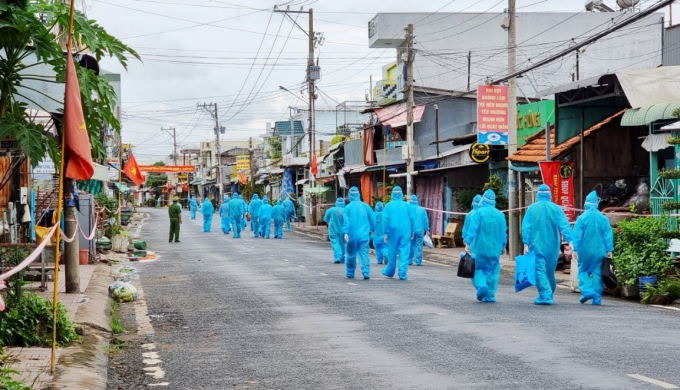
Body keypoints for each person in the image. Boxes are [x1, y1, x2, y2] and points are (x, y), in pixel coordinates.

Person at [522, 183, 574, 305]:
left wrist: (526, 243)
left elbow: (526, 227)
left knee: (539, 270)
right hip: (553, 246)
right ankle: (549, 293)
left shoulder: (532, 209)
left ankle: (545, 295)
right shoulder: (556, 209)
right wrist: (570, 240)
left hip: (536, 244)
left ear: (537, 195)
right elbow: (564, 225)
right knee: (550, 271)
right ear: (550, 195)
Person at [463, 189, 507, 303]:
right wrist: (503, 246)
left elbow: (473, 229)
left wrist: (468, 242)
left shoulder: (479, 212)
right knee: (492, 271)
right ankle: (490, 295)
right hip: (495, 249)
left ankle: (481, 286)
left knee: (478, 269)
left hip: (480, 247)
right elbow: (504, 233)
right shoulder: (500, 215)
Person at [572, 191, 614, 305]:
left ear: (586, 203)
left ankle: (587, 291)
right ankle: (596, 298)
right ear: (597, 203)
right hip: (600, 250)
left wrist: (574, 249)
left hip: (584, 250)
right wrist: (609, 249)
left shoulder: (581, 218)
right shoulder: (603, 218)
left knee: (583, 271)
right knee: (597, 274)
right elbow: (608, 235)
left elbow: (576, 235)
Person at [381, 186, 415, 280]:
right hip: (405, 231)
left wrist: (385, 233)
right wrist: (412, 230)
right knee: (404, 251)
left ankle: (390, 271)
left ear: (392, 194)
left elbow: (385, 220)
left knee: (391, 252)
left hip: (393, 231)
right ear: (401, 194)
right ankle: (402, 273)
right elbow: (412, 219)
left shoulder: (388, 206)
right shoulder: (407, 206)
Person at [342, 187, 376, 279]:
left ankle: (350, 273)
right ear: (358, 195)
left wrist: (345, 232)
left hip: (351, 235)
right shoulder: (366, 206)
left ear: (349, 195)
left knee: (350, 254)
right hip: (364, 235)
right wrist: (373, 229)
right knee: (364, 253)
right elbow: (372, 219)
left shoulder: (347, 208)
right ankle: (366, 272)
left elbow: (346, 222)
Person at [408, 194, 430, 266]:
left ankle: (409, 260)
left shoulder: (408, 209)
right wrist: (427, 229)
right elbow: (425, 220)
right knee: (419, 245)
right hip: (420, 230)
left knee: (410, 245)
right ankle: (418, 261)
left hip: (410, 230)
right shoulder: (422, 210)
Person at [323, 198, 346, 264]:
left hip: (333, 230)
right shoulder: (346, 210)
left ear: (336, 203)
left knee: (335, 243)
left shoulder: (331, 210)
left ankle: (337, 256)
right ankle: (342, 257)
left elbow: (325, 219)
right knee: (343, 244)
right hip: (343, 230)